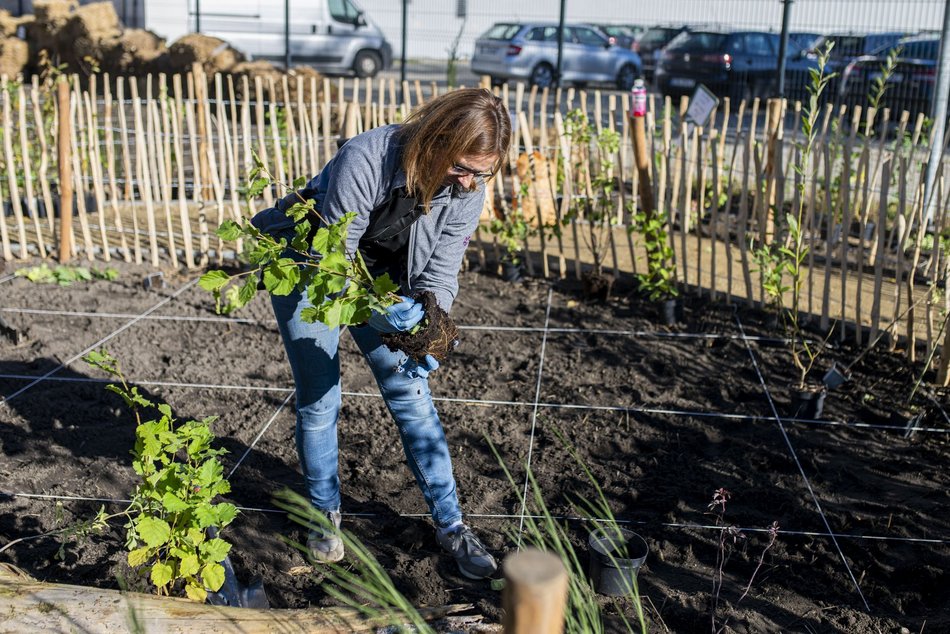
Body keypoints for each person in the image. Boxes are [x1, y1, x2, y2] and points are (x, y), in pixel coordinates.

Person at [251, 88, 511, 580]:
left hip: (389, 285)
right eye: (462, 167)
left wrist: (428, 327)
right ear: (435, 140)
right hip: (313, 272)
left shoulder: (467, 191)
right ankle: (324, 514)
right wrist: (379, 316)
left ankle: (452, 523)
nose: (471, 181)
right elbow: (336, 260)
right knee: (320, 397)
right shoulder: (367, 157)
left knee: (412, 396)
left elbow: (441, 273)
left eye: (483, 172)